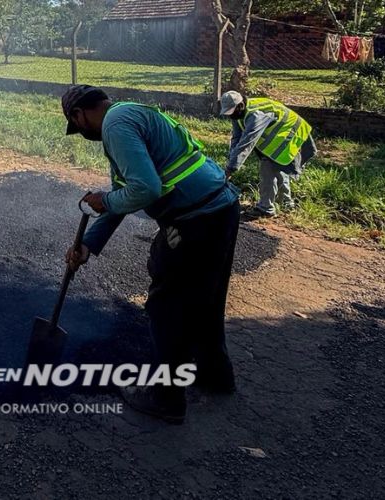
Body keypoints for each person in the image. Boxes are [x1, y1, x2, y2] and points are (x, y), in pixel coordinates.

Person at [61, 85, 241, 424]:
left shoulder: (115, 125)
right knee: (206, 298)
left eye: (77, 126)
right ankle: (216, 375)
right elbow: (124, 195)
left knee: (166, 305)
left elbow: (144, 189)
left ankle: (165, 398)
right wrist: (88, 245)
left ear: (79, 115)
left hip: (195, 219)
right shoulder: (128, 113)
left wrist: (105, 200)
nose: (82, 132)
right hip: (220, 208)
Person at [220, 90, 317, 218]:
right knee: (278, 168)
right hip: (279, 135)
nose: (230, 116)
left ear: (241, 105)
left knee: (267, 170)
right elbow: (236, 138)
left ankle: (265, 208)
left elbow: (246, 143)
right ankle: (286, 203)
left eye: (231, 112)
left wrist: (230, 169)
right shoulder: (238, 114)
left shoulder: (255, 115)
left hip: (289, 133)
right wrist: (231, 159)